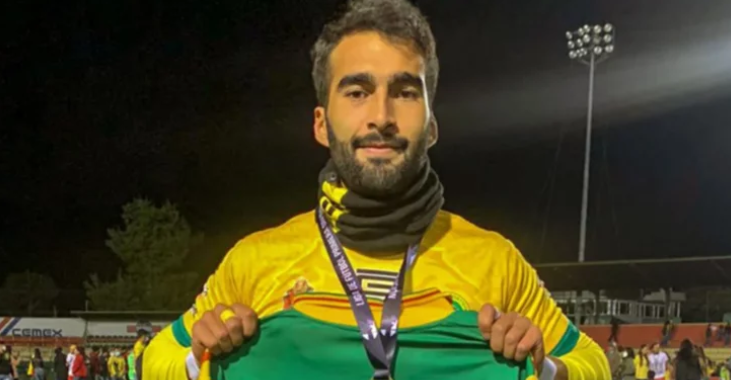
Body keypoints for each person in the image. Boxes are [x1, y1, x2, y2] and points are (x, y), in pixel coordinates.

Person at [141, 1, 609, 380]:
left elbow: (595, 363)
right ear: (322, 124)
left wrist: (547, 369)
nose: (381, 115)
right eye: (357, 91)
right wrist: (196, 357)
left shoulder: (495, 260)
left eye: (405, 92)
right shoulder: (254, 260)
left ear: (431, 126)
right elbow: (154, 360)